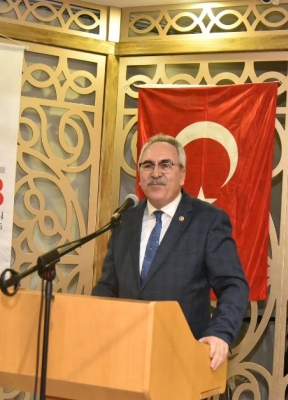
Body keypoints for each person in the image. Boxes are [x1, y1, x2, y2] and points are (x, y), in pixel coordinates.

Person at [92, 134, 249, 371]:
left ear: (182, 174)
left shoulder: (208, 221)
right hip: (124, 357)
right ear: (140, 174)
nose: (156, 173)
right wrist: (93, 325)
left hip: (183, 359)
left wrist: (220, 334)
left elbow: (233, 286)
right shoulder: (125, 221)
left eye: (165, 165)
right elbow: (108, 287)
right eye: (148, 165)